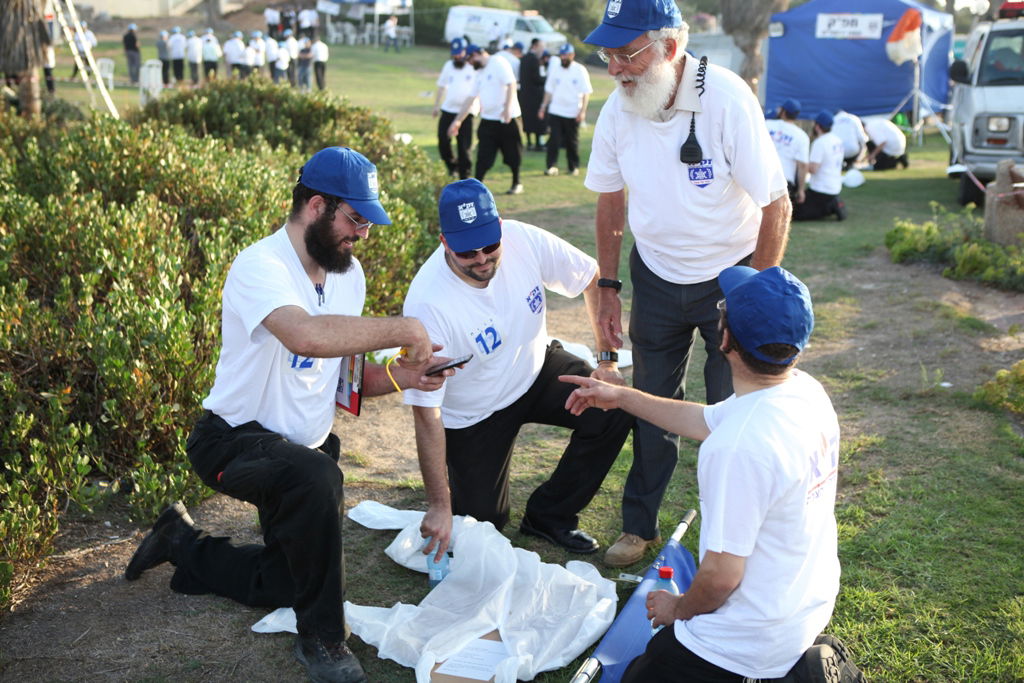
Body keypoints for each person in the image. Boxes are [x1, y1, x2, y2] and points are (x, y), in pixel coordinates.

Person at [123, 147, 450, 683]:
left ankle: (180, 541)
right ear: (316, 205)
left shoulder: (349, 275)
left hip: (302, 451)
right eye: (356, 219)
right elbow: (305, 334)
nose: (363, 233)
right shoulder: (261, 264)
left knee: (285, 581)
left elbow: (344, 381)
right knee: (318, 477)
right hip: (232, 441)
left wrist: (406, 377)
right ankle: (322, 640)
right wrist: (407, 328)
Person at [562, 265, 864, 683]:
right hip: (801, 611)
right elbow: (705, 420)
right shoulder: (803, 390)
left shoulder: (739, 446)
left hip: (745, 643)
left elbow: (722, 578)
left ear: (723, 340)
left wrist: (676, 608)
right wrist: (621, 397)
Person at [584, 0, 791, 567]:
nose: (616, 69)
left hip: (730, 275)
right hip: (654, 275)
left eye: (628, 54)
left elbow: (777, 204)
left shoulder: (726, 98)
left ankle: (735, 535)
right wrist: (607, 286)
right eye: (609, 55)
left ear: (671, 48)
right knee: (651, 403)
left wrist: (755, 296)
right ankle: (638, 526)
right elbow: (609, 201)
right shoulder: (617, 110)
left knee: (735, 414)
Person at [405, 179, 635, 561]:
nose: (482, 259)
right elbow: (425, 412)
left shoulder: (521, 239)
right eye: (466, 252)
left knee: (615, 405)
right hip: (474, 413)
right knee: (484, 525)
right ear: (445, 243)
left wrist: (606, 361)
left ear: (500, 228)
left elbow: (591, 279)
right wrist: (438, 504)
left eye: (490, 245)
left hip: (536, 369)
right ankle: (474, 502)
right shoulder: (427, 305)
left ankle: (551, 515)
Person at [448, 44, 524, 195]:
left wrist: (507, 108)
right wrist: (458, 120)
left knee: (512, 154)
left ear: (476, 54)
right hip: (488, 120)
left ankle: (516, 182)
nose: (469, 63)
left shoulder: (498, 62)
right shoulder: (480, 73)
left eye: (469, 59)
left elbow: (511, 84)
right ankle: (477, 187)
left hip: (507, 119)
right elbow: (471, 97)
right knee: (483, 155)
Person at [539, 43, 592, 177]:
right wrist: (543, 106)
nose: (563, 58)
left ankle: (573, 167)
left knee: (571, 141)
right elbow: (549, 90)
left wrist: (582, 111)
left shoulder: (580, 70)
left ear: (572, 55)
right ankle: (551, 166)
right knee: (554, 141)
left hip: (572, 112)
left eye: (565, 55)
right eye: (561, 55)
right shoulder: (555, 69)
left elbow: (586, 92)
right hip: (556, 111)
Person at [433, 38, 479, 180]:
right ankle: (452, 166)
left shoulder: (473, 67)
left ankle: (465, 175)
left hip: (466, 111)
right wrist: (436, 105)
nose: (457, 57)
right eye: (454, 54)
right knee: (442, 140)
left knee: (464, 147)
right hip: (448, 109)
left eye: (459, 54)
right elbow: (442, 86)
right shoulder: (449, 66)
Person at [793, 111, 846, 222]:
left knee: (796, 212)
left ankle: (831, 207)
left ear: (817, 126)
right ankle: (834, 203)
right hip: (834, 187)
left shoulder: (820, 143)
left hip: (820, 190)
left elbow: (813, 169)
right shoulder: (838, 140)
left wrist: (799, 165)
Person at [766, 98, 810, 204]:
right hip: (784, 181)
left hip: (763, 175)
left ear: (783, 111)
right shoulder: (801, 136)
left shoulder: (766, 124)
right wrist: (800, 190)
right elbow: (802, 165)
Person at [518, 38, 548, 151]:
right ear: (535, 46)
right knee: (536, 120)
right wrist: (546, 78)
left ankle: (529, 142)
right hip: (535, 96)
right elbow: (536, 79)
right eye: (541, 47)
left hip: (524, 95)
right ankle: (537, 144)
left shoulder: (523, 59)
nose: (542, 49)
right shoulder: (534, 59)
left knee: (527, 119)